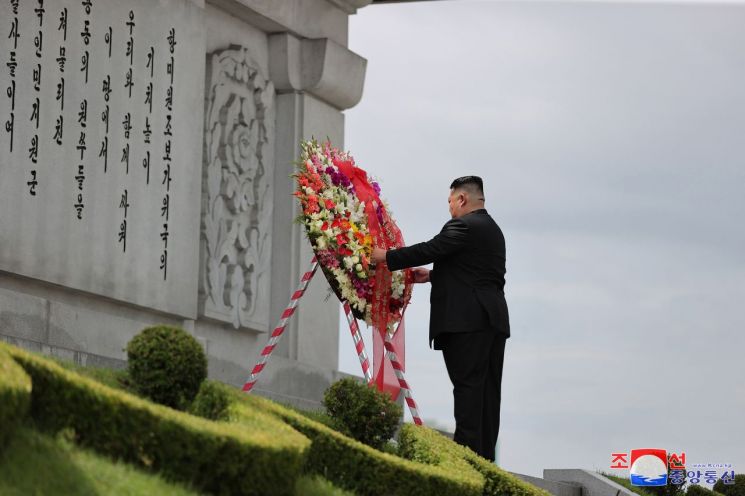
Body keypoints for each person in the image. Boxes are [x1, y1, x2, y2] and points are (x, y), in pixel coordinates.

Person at [371, 175, 510, 462]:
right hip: (492, 321)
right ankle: (484, 462)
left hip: (467, 323)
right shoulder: (493, 229)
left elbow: (431, 248)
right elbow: (475, 271)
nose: (449, 208)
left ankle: (466, 464)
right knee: (487, 398)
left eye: (450, 201)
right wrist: (434, 275)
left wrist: (385, 256)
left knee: (468, 396)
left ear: (461, 199)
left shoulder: (463, 225)